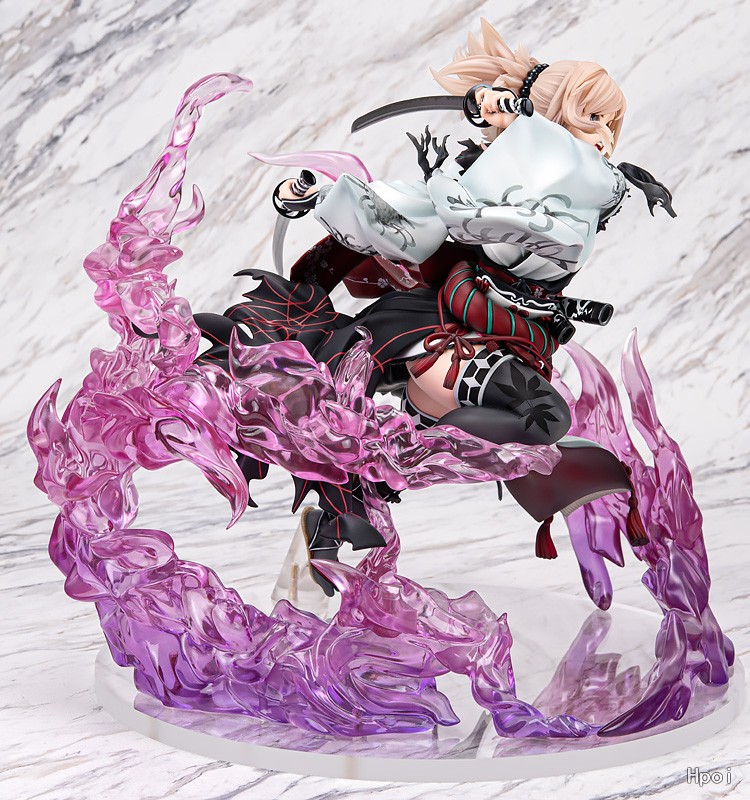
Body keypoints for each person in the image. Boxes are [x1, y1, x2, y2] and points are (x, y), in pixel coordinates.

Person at [196, 20, 674, 595]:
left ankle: (347, 507)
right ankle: (390, 454)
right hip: (455, 339)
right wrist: (321, 196)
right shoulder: (525, 177)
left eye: (610, 123)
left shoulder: (565, 177)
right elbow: (419, 216)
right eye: (593, 117)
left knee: (530, 425)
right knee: (545, 420)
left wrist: (512, 132)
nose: (604, 137)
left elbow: (573, 189)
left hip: (483, 336)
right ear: (557, 116)